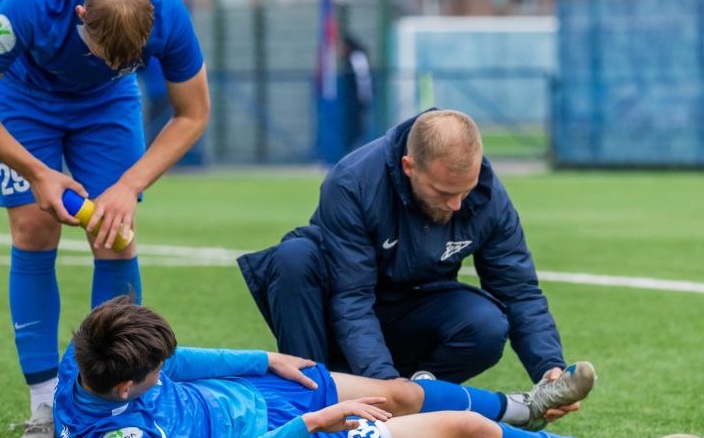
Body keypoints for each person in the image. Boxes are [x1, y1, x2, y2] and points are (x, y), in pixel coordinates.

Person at [0, 0, 209, 438]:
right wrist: (38, 173)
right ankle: (45, 404)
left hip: (105, 107)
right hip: (23, 94)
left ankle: (111, 398)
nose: (106, 63)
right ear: (80, 15)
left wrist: (130, 186)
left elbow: (193, 113)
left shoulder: (169, 12)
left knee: (115, 234)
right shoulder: (28, 5)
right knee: (34, 227)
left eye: (123, 62)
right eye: (99, 53)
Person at [53, 295, 704, 438]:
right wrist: (315, 422)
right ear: (122, 388)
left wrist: (265, 359)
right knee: (465, 435)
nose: (166, 370)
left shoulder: (89, 349)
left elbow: (181, 358)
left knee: (398, 390)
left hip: (262, 393)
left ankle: (525, 405)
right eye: (153, 373)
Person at [238, 109, 565, 393]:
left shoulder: (487, 196)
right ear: (408, 167)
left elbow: (518, 291)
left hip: (409, 313)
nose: (457, 204)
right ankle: (314, 400)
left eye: (465, 190)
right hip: (338, 315)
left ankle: (419, 398)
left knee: (486, 324)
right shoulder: (354, 182)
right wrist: (383, 382)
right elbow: (351, 300)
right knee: (293, 258)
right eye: (443, 192)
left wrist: (548, 367)